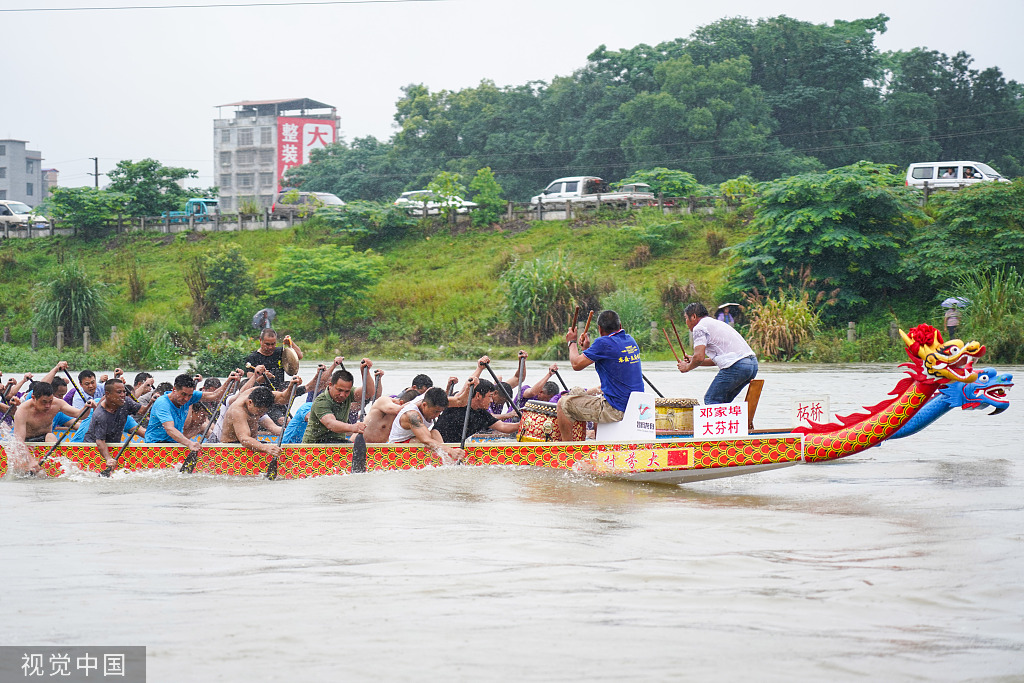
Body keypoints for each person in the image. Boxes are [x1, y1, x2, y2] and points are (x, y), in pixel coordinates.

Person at [557, 309, 644, 440]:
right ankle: (599, 447)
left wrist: (572, 342)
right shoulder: (630, 341)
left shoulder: (603, 343)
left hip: (616, 409)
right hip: (635, 404)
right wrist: (587, 350)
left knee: (562, 404)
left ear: (599, 329)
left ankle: (567, 452)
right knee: (599, 397)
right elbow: (608, 360)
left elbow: (576, 364)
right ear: (620, 326)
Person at [676, 302, 758, 404]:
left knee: (711, 400)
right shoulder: (716, 323)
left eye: (686, 318)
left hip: (737, 365)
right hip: (752, 365)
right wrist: (693, 360)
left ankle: (717, 420)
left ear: (693, 317)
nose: (686, 322)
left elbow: (699, 358)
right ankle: (728, 420)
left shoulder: (699, 327)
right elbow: (716, 359)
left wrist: (687, 367)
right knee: (723, 402)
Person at [144, 373, 236, 451]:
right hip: (155, 446)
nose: (186, 399)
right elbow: (170, 429)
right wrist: (189, 444)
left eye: (189, 395)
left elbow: (214, 395)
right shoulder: (162, 403)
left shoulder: (188, 397)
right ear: (174, 390)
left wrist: (229, 381)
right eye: (183, 394)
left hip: (174, 444)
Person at [79, 378, 147, 470]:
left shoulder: (125, 401)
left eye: (124, 392)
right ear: (107, 394)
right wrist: (108, 459)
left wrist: (152, 402)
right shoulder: (100, 414)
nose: (123, 395)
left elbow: (143, 411)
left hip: (113, 447)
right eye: (119, 392)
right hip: (93, 450)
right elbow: (100, 442)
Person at [387, 386, 463, 463]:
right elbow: (426, 440)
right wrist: (450, 450)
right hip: (397, 449)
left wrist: (468, 386)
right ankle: (446, 461)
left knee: (435, 433)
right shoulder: (412, 415)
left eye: (440, 412)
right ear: (424, 405)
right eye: (436, 411)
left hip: (412, 441)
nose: (437, 415)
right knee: (431, 438)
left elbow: (461, 402)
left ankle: (446, 461)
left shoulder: (428, 400)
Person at [434, 378, 520, 443]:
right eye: (489, 396)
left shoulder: (482, 414)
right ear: (478, 395)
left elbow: (503, 426)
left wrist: (525, 423)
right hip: (436, 445)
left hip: (456, 450)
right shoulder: (457, 404)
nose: (491, 401)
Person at [244, 328, 303, 424]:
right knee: (280, 418)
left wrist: (290, 343)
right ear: (260, 341)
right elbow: (250, 384)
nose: (270, 347)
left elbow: (299, 356)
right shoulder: (253, 358)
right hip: (263, 397)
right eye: (267, 344)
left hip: (281, 394)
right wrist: (262, 378)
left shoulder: (280, 352)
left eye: (273, 344)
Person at [13, 381, 93, 443]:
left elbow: (80, 415)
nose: (48, 406)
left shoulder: (57, 403)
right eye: (44, 402)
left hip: (45, 438)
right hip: (26, 441)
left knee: (50, 436)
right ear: (34, 398)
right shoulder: (23, 410)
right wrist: (31, 461)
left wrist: (87, 407)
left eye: (50, 401)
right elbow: (19, 442)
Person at [221, 385, 285, 460]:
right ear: (250, 402)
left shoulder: (258, 395)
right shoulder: (237, 411)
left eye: (264, 412)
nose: (261, 415)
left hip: (250, 446)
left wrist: (291, 387)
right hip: (231, 450)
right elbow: (244, 439)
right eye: (260, 411)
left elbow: (283, 398)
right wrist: (266, 448)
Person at [302, 369, 365, 444]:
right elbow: (331, 424)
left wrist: (364, 373)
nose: (342, 395)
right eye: (339, 390)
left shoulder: (348, 394)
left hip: (336, 441)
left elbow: (367, 392)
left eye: (346, 391)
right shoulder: (321, 401)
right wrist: (352, 427)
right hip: (313, 445)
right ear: (330, 385)